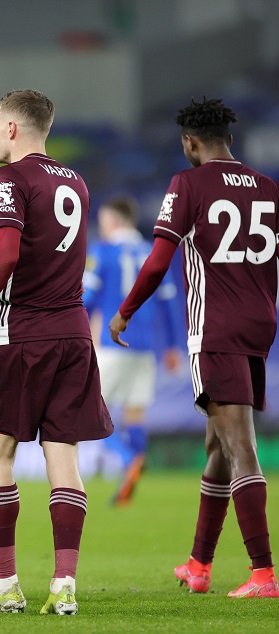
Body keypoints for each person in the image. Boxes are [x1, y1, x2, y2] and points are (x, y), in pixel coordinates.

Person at [109, 97, 278, 599]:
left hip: (216, 327)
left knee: (239, 445)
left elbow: (159, 261)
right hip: (259, 326)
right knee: (218, 445)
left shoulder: (188, 184)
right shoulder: (268, 187)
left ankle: (264, 574)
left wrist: (125, 311)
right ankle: (199, 564)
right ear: (230, 137)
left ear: (190, 141)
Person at [0, 89, 112, 615]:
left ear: (13, 128)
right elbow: (46, 246)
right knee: (63, 456)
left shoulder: (10, 178)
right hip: (73, 333)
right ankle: (64, 586)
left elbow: (8, 257)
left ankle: (5, 586)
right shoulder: (76, 181)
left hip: (19, 331)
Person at [83, 195, 180, 505]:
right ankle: (132, 472)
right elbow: (169, 301)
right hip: (145, 347)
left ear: (112, 220)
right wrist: (173, 346)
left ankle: (129, 459)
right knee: (134, 413)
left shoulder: (102, 251)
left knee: (89, 411)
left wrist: (76, 335)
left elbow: (87, 298)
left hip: (111, 345)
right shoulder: (152, 253)